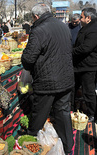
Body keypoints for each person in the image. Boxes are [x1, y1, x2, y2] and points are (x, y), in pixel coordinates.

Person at [21, 3, 74, 154]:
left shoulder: (38, 30)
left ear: (36, 16)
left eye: (32, 18)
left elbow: (28, 59)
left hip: (47, 81)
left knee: (39, 114)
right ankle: (68, 147)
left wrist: (24, 55)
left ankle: (30, 146)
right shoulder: (63, 26)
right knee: (63, 113)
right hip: (66, 78)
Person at [72, 8, 97, 122]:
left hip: (88, 67)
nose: (80, 19)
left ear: (88, 18)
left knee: (88, 91)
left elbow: (86, 48)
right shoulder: (88, 27)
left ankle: (92, 113)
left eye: (81, 17)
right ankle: (72, 108)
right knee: (73, 87)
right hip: (79, 65)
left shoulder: (93, 29)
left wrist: (71, 51)